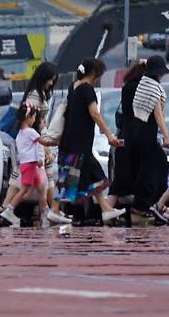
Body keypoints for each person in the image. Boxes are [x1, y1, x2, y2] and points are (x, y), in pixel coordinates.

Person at [52, 58, 125, 223]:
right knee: (68, 176)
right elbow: (94, 113)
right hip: (78, 144)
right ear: (94, 73)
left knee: (93, 174)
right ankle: (55, 209)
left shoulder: (74, 87)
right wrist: (109, 135)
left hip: (73, 142)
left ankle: (105, 209)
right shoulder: (87, 90)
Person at [0, 62, 69, 225]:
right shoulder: (35, 97)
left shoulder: (38, 94)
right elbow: (33, 121)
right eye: (50, 80)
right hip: (35, 143)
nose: (51, 83)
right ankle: (50, 210)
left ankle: (47, 210)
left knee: (38, 180)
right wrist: (44, 147)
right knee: (36, 179)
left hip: (35, 142)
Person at [128, 55, 169, 215]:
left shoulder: (143, 84)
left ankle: (151, 202)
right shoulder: (154, 88)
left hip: (137, 130)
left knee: (147, 168)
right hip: (147, 133)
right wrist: (166, 136)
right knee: (155, 168)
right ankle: (146, 204)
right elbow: (158, 114)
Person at [0, 104, 52, 227]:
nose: (34, 119)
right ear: (28, 117)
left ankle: (45, 212)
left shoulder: (20, 134)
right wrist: (54, 142)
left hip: (27, 165)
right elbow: (41, 143)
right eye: (33, 117)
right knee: (24, 190)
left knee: (40, 188)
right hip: (31, 165)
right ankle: (9, 210)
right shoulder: (31, 132)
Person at [108, 59, 148, 207]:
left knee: (119, 179)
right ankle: (140, 209)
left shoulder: (127, 87)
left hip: (125, 134)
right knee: (141, 174)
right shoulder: (142, 89)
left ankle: (108, 210)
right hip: (137, 135)